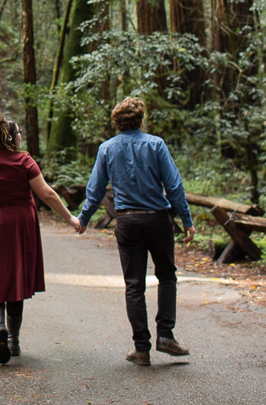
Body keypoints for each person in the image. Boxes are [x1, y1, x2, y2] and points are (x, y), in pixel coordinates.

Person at [0, 112, 82, 364]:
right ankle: (13, 340)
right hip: (19, 225)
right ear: (11, 137)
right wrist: (69, 218)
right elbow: (47, 194)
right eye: (19, 131)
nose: (21, 135)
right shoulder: (24, 161)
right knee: (16, 277)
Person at [77, 97, 195, 366]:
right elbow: (174, 186)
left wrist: (83, 218)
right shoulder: (156, 144)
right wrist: (187, 220)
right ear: (141, 120)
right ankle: (165, 335)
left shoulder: (106, 149)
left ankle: (142, 349)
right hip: (158, 221)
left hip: (127, 222)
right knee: (166, 276)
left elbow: (95, 191)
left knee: (134, 285)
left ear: (116, 122)